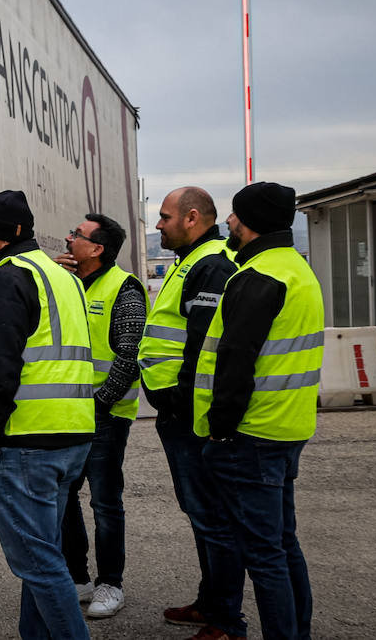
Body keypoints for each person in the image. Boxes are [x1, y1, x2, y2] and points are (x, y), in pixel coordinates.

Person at [0, 190, 96, 640]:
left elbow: (1, 366)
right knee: (43, 557)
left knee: (39, 564)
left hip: (24, 443)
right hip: (70, 437)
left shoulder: (8, 278)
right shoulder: (62, 277)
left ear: (9, 234)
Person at [194, 182, 323, 640]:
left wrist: (220, 432)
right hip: (287, 426)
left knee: (265, 555)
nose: (228, 222)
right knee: (283, 545)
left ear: (248, 224)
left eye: (233, 216)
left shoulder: (257, 277)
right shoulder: (297, 269)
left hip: (253, 434)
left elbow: (235, 362)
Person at [139, 187, 247, 640]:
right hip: (180, 414)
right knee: (201, 512)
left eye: (164, 217)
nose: (158, 225)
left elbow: (206, 345)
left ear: (192, 217)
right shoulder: (194, 261)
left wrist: (180, 400)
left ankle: (226, 620)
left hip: (189, 416)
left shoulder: (211, 265)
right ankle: (210, 604)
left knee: (211, 517)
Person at [52, 212, 146, 620]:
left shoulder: (123, 288)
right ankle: (77, 577)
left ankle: (111, 583)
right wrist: (51, 280)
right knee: (65, 496)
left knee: (106, 502)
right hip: (65, 412)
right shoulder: (66, 281)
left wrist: (100, 402)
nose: (69, 238)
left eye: (78, 235)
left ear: (97, 248)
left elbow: (129, 354)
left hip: (103, 414)